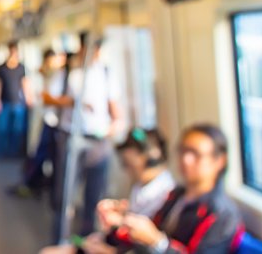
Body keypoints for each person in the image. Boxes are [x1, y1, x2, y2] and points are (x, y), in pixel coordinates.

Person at [93, 124, 243, 254]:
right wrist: (120, 225)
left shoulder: (222, 215)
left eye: (195, 154)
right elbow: (150, 232)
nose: (186, 160)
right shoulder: (176, 195)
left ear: (219, 161)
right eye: (183, 151)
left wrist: (158, 242)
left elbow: (155, 238)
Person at [39, 128, 175, 254]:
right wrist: (120, 210)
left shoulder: (164, 192)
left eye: (128, 164)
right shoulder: (144, 185)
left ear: (148, 157)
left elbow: (146, 236)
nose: (126, 168)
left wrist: (114, 234)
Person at [51, 38, 122, 240]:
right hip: (72, 138)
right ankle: (60, 239)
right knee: (65, 195)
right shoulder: (68, 73)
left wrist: (114, 126)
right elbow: (49, 97)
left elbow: (116, 110)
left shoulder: (107, 75)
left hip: (98, 140)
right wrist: (77, 102)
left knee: (95, 195)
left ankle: (87, 240)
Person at [9, 49, 63, 197]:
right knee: (39, 152)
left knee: (48, 156)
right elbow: (41, 96)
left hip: (53, 122)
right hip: (44, 118)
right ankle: (31, 182)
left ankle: (39, 183)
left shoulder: (58, 75)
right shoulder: (42, 75)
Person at [0, 40, 35, 158]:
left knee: (17, 129)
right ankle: (1, 152)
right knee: (2, 129)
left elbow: (25, 83)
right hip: (4, 102)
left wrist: (29, 98)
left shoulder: (22, 68)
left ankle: (15, 153)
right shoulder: (1, 68)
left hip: (18, 103)